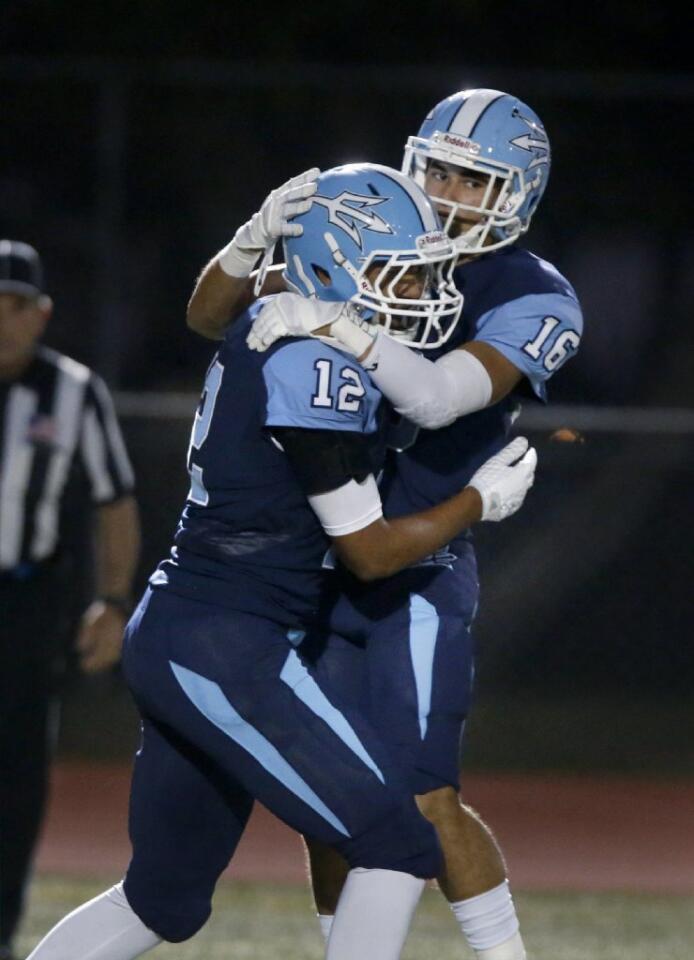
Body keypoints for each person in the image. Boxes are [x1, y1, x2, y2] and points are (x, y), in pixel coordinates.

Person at [26, 164, 537, 960]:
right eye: (396, 270)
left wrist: (246, 247)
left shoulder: (283, 316)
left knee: (161, 901)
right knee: (396, 843)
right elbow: (368, 554)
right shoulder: (313, 362)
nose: (417, 288)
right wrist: (478, 503)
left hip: (192, 629)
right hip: (226, 645)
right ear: (334, 266)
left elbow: (207, 312)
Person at [190, 89, 583, 960]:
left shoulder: (536, 296)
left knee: (422, 795)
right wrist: (252, 237)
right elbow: (209, 314)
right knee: (335, 807)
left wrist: (342, 327)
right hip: (312, 560)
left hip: (418, 561)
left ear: (517, 193)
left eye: (470, 180)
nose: (443, 192)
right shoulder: (372, 227)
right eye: (436, 168)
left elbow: (440, 401)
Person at [0, 240, 141, 960]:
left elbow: (114, 500)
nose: (2, 321)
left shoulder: (74, 391)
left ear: (42, 314)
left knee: (16, 778)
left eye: (15, 306)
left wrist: (113, 600)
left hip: (23, 605)